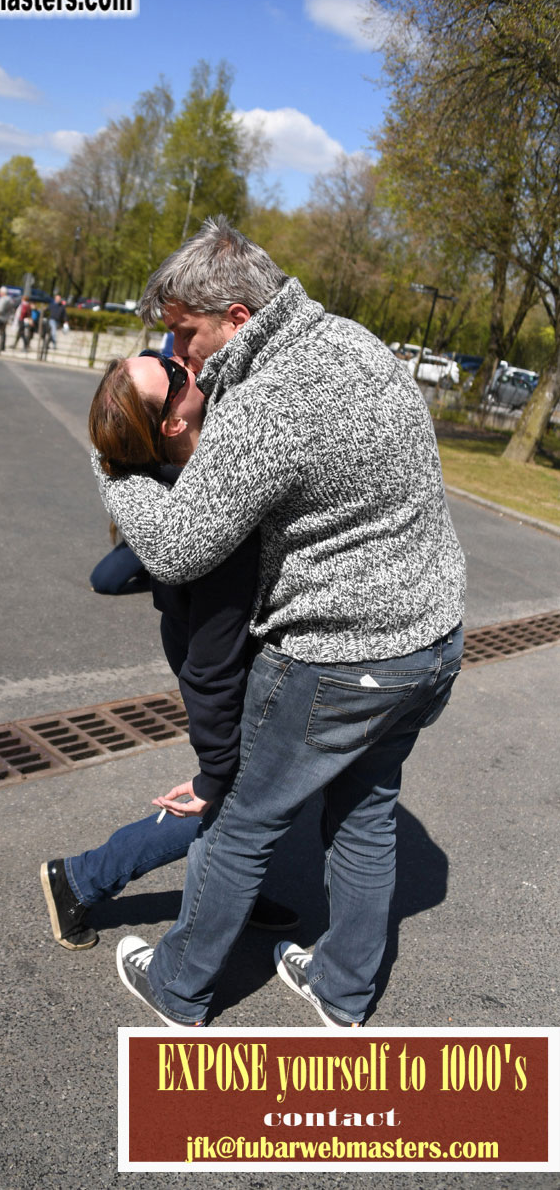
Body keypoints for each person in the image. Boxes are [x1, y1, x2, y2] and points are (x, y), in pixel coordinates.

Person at [96, 216, 466, 1029]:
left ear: (235, 317)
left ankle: (178, 986)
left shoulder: (273, 402)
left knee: (238, 825)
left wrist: (112, 467)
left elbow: (181, 543)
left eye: (184, 335)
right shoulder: (350, 342)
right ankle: (342, 990)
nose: (181, 356)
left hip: (340, 658)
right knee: (365, 814)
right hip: (432, 643)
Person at [41, 350, 298, 950]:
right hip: (219, 665)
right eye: (173, 371)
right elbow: (210, 666)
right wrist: (213, 769)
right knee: (229, 799)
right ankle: (80, 879)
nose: (179, 360)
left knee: (253, 797)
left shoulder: (185, 464)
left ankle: (234, 886)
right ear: (174, 424)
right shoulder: (205, 517)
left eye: (165, 354)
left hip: (212, 650)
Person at [0, 288, 17, 353]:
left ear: (2, 292)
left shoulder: (3, 299)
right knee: (3, 332)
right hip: (5, 318)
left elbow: (0, 309)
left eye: (0, 292)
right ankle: (2, 346)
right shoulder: (10, 299)